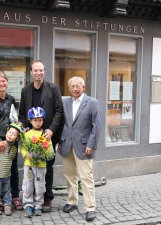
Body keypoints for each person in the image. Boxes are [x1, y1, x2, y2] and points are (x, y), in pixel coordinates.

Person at [19, 60, 64, 212]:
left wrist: (51, 130)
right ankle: (30, 198)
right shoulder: (25, 90)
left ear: (44, 71)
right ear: (31, 72)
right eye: (35, 70)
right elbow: (22, 113)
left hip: (48, 135)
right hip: (31, 136)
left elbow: (59, 111)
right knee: (31, 168)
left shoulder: (53, 88)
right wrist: (25, 128)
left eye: (41, 70)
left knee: (47, 168)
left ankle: (47, 198)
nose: (38, 73)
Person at [57, 76, 102, 222]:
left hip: (84, 146)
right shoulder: (65, 102)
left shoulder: (93, 103)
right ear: (69, 88)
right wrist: (59, 143)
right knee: (70, 176)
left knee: (86, 177)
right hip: (66, 145)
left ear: (83, 87)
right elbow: (61, 124)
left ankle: (90, 208)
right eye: (72, 86)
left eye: (77, 86)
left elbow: (97, 126)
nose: (74, 89)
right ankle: (72, 201)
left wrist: (91, 144)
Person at [0, 71, 23, 211]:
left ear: (7, 82)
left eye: (3, 81)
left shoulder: (11, 99)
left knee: (12, 168)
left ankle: (14, 196)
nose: (1, 84)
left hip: (11, 139)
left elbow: (14, 119)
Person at [20, 107, 55, 218]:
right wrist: (26, 154)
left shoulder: (45, 135)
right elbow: (23, 148)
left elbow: (50, 150)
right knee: (28, 185)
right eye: (35, 120)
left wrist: (46, 151)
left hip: (41, 165)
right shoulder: (27, 134)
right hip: (29, 165)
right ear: (30, 121)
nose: (38, 122)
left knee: (40, 186)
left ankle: (38, 205)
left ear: (43, 120)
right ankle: (28, 205)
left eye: (40, 120)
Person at [0, 123, 25, 216]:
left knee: (7, 190)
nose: (10, 135)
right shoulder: (0, 145)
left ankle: (7, 204)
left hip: (6, 174)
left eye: (13, 134)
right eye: (9, 132)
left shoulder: (14, 149)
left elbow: (11, 160)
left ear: (17, 138)